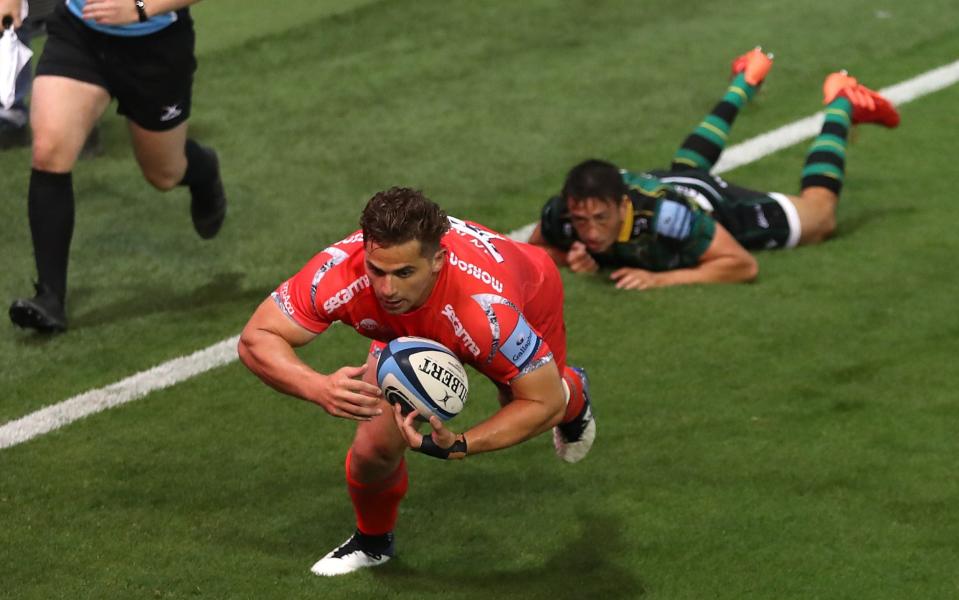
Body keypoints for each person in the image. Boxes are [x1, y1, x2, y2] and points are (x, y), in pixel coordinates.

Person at [238, 187, 596, 576]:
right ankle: (373, 543)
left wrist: (461, 445)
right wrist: (317, 387)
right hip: (409, 329)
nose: (386, 289)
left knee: (525, 402)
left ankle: (576, 391)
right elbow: (257, 338)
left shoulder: (491, 318)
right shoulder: (341, 270)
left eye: (404, 272)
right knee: (373, 450)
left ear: (437, 260)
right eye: (377, 270)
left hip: (528, 291)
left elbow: (541, 404)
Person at [528, 48, 900, 290]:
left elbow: (741, 265)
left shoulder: (670, 217)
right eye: (581, 220)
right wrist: (575, 257)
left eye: (599, 218)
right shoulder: (564, 211)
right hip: (667, 182)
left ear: (623, 206)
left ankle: (842, 102)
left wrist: (661, 279)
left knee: (820, 218)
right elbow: (532, 252)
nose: (589, 230)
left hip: (707, 204)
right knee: (685, 169)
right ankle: (746, 78)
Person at [7, 0, 226, 333]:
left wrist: (140, 8)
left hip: (156, 46)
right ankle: (50, 297)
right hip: (79, 34)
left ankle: (203, 170)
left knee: (164, 173)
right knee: (49, 149)